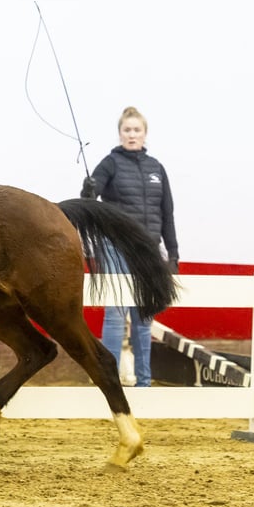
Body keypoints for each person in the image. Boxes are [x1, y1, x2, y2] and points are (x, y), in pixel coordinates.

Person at [80, 106, 179, 387]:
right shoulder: (110, 163)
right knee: (115, 312)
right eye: (127, 130)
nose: (132, 135)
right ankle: (108, 381)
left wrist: (172, 253)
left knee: (143, 316)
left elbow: (167, 213)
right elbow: (91, 193)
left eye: (137, 130)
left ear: (144, 134)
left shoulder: (156, 168)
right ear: (120, 133)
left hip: (149, 250)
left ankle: (144, 383)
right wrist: (88, 190)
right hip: (116, 247)